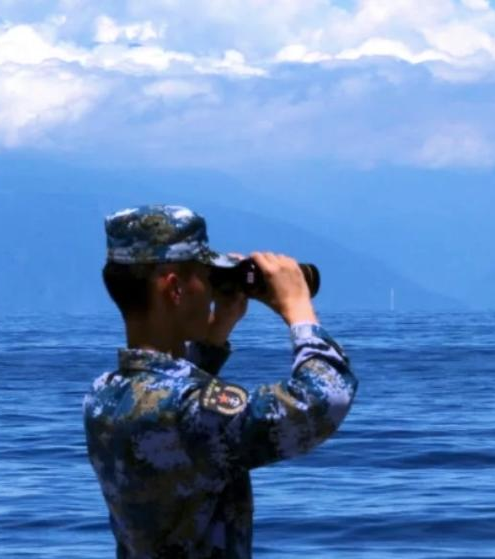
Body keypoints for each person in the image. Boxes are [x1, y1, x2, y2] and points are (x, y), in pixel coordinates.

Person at [83, 205, 358, 558]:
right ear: (175, 289)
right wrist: (298, 308)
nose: (213, 292)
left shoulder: (103, 395)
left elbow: (169, 403)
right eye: (206, 277)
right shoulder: (189, 411)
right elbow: (321, 401)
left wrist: (215, 335)